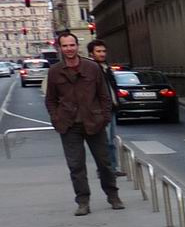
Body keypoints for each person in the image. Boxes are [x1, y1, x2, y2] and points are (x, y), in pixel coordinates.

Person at [43, 31, 122, 216]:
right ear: (60, 48)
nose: (69, 49)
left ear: (77, 46)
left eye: (72, 45)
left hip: (94, 122)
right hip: (69, 125)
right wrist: (56, 118)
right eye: (65, 46)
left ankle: (113, 196)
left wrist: (104, 117)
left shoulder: (92, 68)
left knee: (104, 163)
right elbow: (51, 100)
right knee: (76, 166)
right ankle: (83, 201)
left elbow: (104, 95)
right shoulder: (55, 71)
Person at [86, 39, 124, 175]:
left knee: (111, 141)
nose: (102, 54)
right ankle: (104, 169)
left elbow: (111, 88)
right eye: (98, 51)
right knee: (104, 142)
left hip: (111, 108)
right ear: (91, 53)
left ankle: (112, 168)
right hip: (100, 111)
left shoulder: (106, 68)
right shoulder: (91, 69)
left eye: (104, 51)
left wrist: (117, 102)